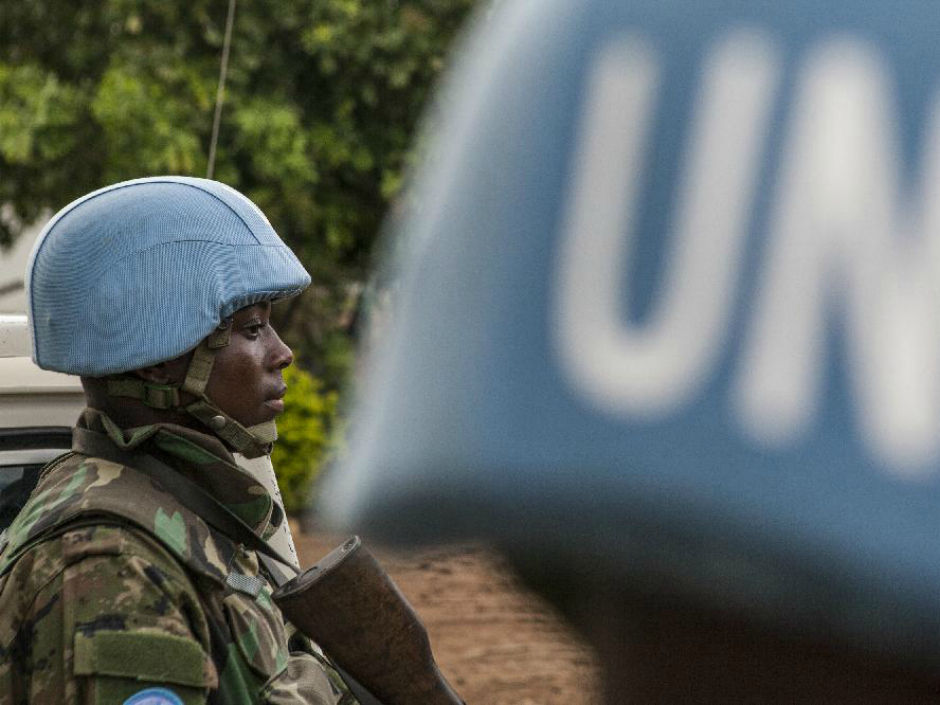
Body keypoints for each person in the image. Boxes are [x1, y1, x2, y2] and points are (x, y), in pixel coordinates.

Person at [0, 177, 355, 704]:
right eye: (253, 329)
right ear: (165, 362)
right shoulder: (108, 562)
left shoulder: (181, 511)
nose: (283, 354)